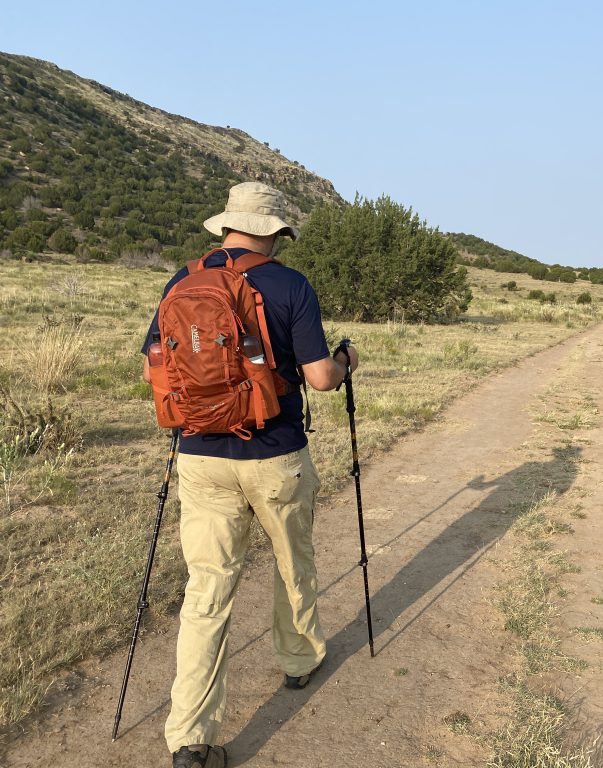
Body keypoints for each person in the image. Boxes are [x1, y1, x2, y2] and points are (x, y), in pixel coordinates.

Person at [141, 182, 358, 768]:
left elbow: (153, 368)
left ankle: (190, 735)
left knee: (207, 589)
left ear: (227, 226)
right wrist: (345, 362)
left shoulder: (181, 282)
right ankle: (298, 661)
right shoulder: (289, 283)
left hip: (199, 457)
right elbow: (318, 378)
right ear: (273, 231)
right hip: (275, 455)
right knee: (293, 562)